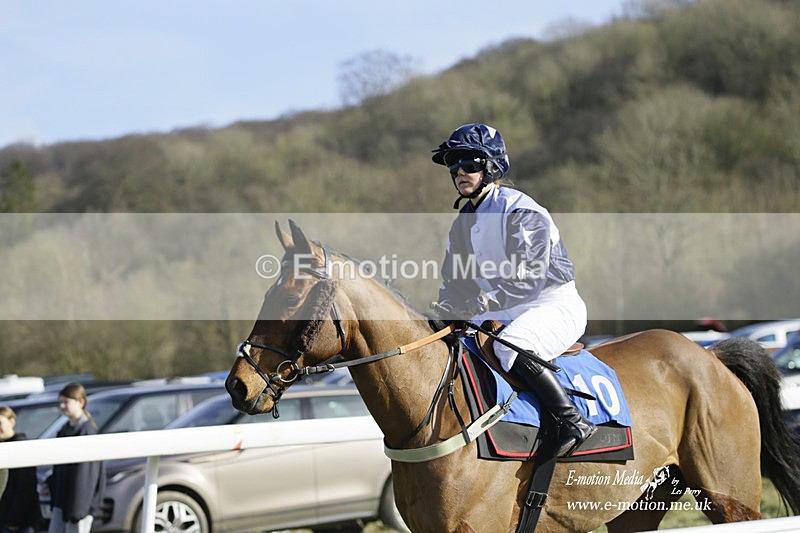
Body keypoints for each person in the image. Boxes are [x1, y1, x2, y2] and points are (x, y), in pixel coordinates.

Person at [432, 122, 596, 457]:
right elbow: (455, 282)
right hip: (502, 307)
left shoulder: (521, 209)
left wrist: (480, 302)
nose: (459, 171)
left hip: (552, 304)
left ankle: (572, 421)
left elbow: (528, 279)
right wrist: (444, 310)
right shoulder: (463, 223)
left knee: (512, 347)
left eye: (469, 162)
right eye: (453, 163)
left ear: (491, 166)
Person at [47, 383, 104, 533]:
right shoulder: (64, 430)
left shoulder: (87, 431)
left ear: (81, 402)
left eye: (66, 402)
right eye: (60, 402)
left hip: (78, 506)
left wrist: (78, 509)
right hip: (62, 503)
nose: (62, 406)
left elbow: (87, 475)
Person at [0, 406, 41, 533]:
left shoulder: (21, 447)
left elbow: (25, 488)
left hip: (19, 523)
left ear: (12, 421)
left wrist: (14, 520)